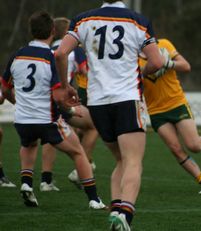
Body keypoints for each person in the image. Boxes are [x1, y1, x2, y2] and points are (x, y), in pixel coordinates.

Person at [55, 1, 164, 230]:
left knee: (121, 160)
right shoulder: (138, 20)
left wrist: (64, 87)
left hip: (97, 103)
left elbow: (61, 52)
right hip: (126, 98)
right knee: (133, 161)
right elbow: (157, 61)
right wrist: (142, 75)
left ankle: (115, 210)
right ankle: (125, 215)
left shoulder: (83, 19)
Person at [1, 11, 106, 209]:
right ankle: (94, 199)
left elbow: (5, 89)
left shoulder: (17, 55)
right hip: (47, 119)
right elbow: (58, 97)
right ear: (52, 31)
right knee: (78, 153)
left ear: (31, 31)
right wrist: (71, 109)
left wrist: (18, 103)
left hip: (23, 120)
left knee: (29, 144)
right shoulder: (50, 58)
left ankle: (26, 183)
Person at [139, 38, 201, 195]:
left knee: (194, 146)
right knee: (175, 149)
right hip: (156, 111)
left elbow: (186, 66)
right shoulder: (131, 57)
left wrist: (167, 63)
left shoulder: (164, 45)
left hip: (177, 103)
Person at [40, 17, 99, 192]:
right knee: (94, 125)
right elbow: (84, 71)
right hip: (60, 99)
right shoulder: (74, 49)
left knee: (50, 136)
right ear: (68, 33)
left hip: (44, 100)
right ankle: (83, 168)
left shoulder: (46, 50)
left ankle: (46, 181)